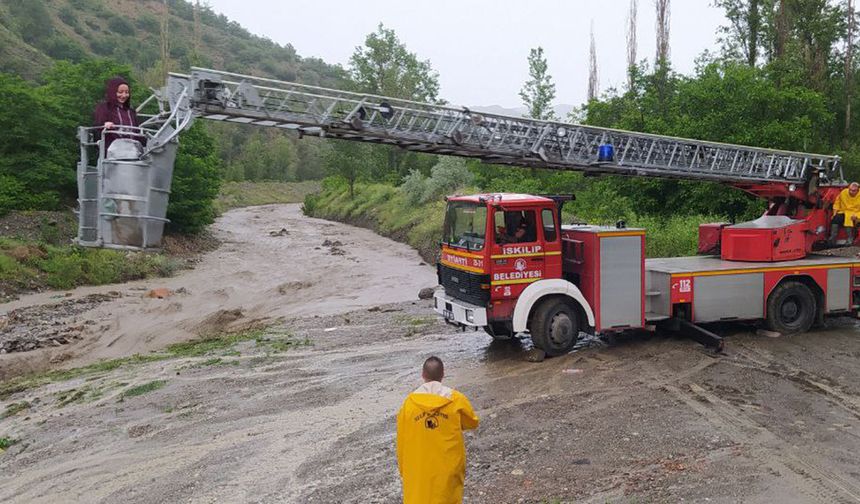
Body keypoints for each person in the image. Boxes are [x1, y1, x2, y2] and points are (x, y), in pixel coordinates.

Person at [396, 356, 479, 504]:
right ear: (442, 375)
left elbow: (401, 440)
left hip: (418, 467)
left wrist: (403, 469)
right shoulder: (455, 399)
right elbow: (472, 422)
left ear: (423, 375)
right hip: (448, 464)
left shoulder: (409, 404)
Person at [93, 76, 143, 153]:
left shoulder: (131, 112)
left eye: (127, 92)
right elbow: (97, 128)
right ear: (113, 92)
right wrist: (104, 125)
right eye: (120, 92)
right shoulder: (104, 108)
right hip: (112, 152)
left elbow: (137, 131)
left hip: (132, 151)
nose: (124, 95)